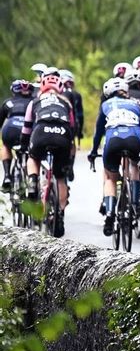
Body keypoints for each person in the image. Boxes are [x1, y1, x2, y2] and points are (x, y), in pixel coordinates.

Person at [19, 73, 76, 236]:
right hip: (62, 135)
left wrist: (24, 145)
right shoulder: (66, 102)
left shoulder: (35, 101)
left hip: (41, 132)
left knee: (34, 158)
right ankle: (60, 213)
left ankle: (32, 181)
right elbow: (73, 128)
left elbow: (26, 127)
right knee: (60, 177)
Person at [88, 78, 140, 236]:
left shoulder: (106, 105)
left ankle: (110, 213)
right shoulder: (136, 103)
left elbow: (99, 132)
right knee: (135, 166)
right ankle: (134, 204)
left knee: (109, 177)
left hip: (113, 140)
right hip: (135, 139)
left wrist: (93, 151)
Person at [1, 80, 32, 191]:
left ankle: (7, 176)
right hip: (27, 131)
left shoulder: (8, 103)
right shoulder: (33, 102)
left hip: (10, 130)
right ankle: (33, 180)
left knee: (5, 146)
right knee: (32, 153)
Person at [59, 70, 84, 145]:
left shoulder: (55, 93)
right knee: (71, 141)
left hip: (60, 121)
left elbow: (80, 114)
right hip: (71, 123)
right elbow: (80, 115)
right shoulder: (76, 94)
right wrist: (79, 131)